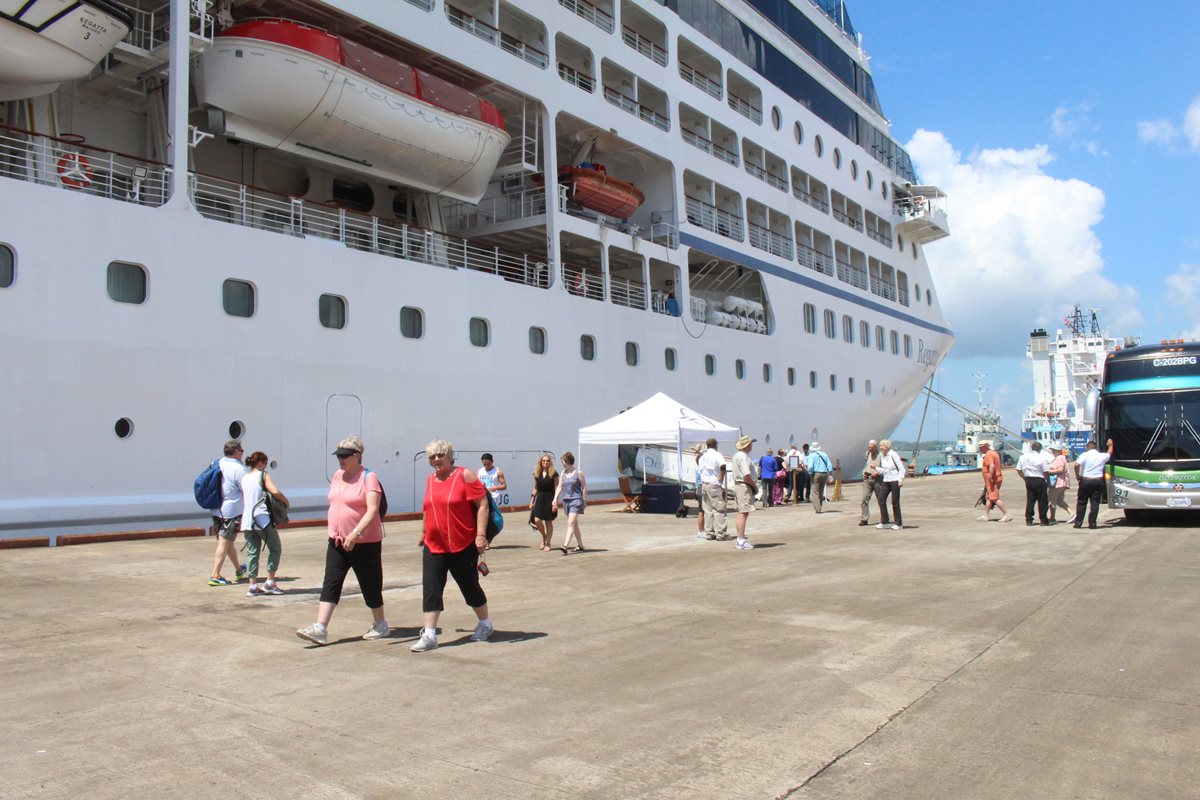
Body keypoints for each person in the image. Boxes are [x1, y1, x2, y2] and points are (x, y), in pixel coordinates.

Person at [296, 435, 388, 646]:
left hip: (364, 543)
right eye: (339, 456)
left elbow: (373, 510)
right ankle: (320, 628)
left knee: (370, 585)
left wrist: (355, 533)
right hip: (337, 541)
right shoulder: (338, 476)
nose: (341, 459)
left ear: (357, 456)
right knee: (331, 582)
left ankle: (380, 623)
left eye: (345, 456)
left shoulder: (369, 477)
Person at [411, 439, 494, 652]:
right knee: (431, 588)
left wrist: (481, 535)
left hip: (462, 544)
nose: (436, 459)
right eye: (432, 456)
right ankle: (429, 635)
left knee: (469, 587)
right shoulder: (430, 480)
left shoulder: (464, 475)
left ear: (450, 456)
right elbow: (428, 508)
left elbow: (483, 504)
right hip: (434, 544)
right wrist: (423, 532)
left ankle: (485, 624)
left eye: (440, 455)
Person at [240, 451, 288, 596]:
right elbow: (274, 491)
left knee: (252, 552)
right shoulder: (263, 475)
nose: (266, 466)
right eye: (265, 463)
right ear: (260, 463)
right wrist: (285, 501)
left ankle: (253, 586)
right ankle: (270, 582)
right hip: (262, 519)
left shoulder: (245, 478)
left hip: (247, 521)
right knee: (275, 548)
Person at [209, 439, 248, 586]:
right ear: (235, 451)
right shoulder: (238, 468)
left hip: (216, 508)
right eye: (241, 450)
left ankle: (239, 569)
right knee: (224, 542)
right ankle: (215, 575)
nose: (243, 453)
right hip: (231, 511)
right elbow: (246, 488)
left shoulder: (217, 463)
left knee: (227, 542)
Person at [1073, 439, 1114, 529]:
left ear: (1087, 447)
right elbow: (1109, 453)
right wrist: (1110, 445)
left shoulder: (1085, 455)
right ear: (1096, 448)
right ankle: (1092, 523)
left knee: (1081, 502)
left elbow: (1076, 465)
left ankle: (1078, 523)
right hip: (1098, 481)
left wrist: (1077, 476)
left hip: (1086, 480)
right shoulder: (1101, 455)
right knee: (1095, 503)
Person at [552, 452, 588, 552]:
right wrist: (555, 498)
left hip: (576, 500)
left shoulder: (579, 473)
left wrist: (584, 500)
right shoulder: (563, 473)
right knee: (574, 524)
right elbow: (560, 487)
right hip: (566, 501)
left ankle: (565, 545)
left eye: (562, 462)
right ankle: (580, 545)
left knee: (571, 523)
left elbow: (584, 487)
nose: (562, 463)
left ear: (567, 461)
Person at [698, 437, 730, 540]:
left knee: (707, 509)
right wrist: (721, 477)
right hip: (714, 484)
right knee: (719, 508)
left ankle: (709, 532)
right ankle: (721, 533)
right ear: (716, 445)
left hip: (704, 484)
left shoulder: (702, 456)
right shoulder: (717, 454)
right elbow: (723, 466)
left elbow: (700, 468)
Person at [730, 435, 757, 550]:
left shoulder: (736, 455)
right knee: (744, 512)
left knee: (741, 512)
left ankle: (739, 538)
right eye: (750, 444)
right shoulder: (743, 457)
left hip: (738, 485)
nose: (751, 446)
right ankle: (741, 539)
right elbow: (746, 475)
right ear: (747, 445)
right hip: (744, 485)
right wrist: (754, 486)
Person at [1016, 441, 1051, 526]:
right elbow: (1046, 472)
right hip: (1039, 479)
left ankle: (1029, 519)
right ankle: (1043, 520)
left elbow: (1018, 469)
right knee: (1042, 501)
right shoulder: (1041, 458)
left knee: (1030, 500)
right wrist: (1048, 482)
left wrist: (1024, 478)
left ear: (1032, 448)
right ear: (1040, 449)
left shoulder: (1023, 457)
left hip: (1029, 479)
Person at [530, 453, 559, 551]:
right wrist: (532, 500)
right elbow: (535, 488)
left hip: (550, 498)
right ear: (541, 462)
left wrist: (555, 501)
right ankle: (544, 536)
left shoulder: (554, 473)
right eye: (543, 461)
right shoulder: (537, 473)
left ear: (550, 462)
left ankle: (548, 543)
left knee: (548, 521)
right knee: (537, 520)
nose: (545, 462)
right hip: (540, 499)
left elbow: (557, 487)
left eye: (547, 461)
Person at [977, 441, 1012, 522]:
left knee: (994, 498)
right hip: (993, 479)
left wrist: (989, 476)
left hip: (993, 480)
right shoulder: (994, 453)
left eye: (981, 447)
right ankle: (985, 516)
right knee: (988, 497)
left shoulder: (989, 454)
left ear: (985, 446)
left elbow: (992, 466)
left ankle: (1007, 514)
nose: (980, 449)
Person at [874, 439, 904, 530]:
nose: (880, 448)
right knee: (881, 499)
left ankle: (898, 524)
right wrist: (876, 468)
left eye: (882, 446)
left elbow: (901, 468)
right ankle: (884, 522)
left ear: (886, 446)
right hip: (886, 480)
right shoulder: (882, 456)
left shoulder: (893, 454)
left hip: (895, 480)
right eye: (880, 446)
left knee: (895, 502)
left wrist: (900, 480)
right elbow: (884, 470)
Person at [1046, 442, 1074, 525]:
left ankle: (1052, 518)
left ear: (1058, 451)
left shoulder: (1058, 458)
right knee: (1059, 500)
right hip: (1063, 481)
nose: (1052, 452)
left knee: (1051, 500)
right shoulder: (1062, 457)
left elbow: (1060, 469)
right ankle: (1072, 513)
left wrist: (1049, 472)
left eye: (1054, 450)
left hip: (1058, 482)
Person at [806, 442, 833, 513]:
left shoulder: (812, 456)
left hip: (816, 473)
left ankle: (818, 509)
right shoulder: (824, 454)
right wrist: (830, 475)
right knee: (821, 491)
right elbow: (829, 465)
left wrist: (810, 473)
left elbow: (810, 466)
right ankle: (819, 505)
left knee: (815, 491)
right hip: (824, 474)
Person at [860, 440, 882, 526]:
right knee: (864, 499)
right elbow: (867, 464)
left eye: (871, 447)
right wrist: (865, 471)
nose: (869, 449)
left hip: (878, 479)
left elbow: (885, 468)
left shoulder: (881, 455)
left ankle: (884, 517)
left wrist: (877, 473)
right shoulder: (867, 453)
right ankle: (864, 519)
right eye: (869, 447)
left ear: (875, 447)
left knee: (880, 499)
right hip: (867, 479)